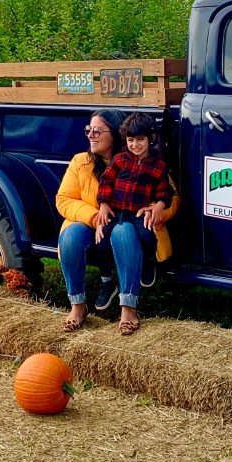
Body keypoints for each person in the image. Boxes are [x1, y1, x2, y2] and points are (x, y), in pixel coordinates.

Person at [56, 110, 177, 334]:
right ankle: (77, 306)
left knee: (123, 232)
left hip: (129, 224)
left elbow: (171, 196)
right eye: (88, 130)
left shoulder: (142, 159)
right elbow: (63, 200)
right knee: (70, 236)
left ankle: (129, 308)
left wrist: (156, 209)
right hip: (94, 223)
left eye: (97, 130)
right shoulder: (80, 162)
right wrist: (95, 217)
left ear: (114, 135)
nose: (91, 135)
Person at [95, 112, 173, 335]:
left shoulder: (157, 165)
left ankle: (147, 263)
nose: (135, 145)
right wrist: (103, 204)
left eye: (140, 140)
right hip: (117, 212)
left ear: (151, 139)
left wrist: (158, 206)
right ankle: (106, 280)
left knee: (148, 237)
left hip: (137, 214)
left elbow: (164, 190)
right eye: (130, 140)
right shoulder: (120, 159)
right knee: (101, 243)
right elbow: (105, 182)